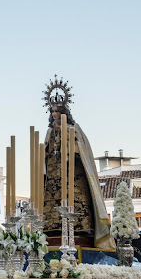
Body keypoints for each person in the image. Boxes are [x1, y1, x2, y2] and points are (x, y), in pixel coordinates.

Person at [42, 96, 114, 250]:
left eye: (57, 111)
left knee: (75, 199)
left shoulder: (73, 128)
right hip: (54, 175)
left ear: (64, 112)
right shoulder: (49, 132)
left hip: (72, 173)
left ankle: (81, 228)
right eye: (52, 111)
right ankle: (53, 228)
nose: (54, 114)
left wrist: (67, 141)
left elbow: (81, 149)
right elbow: (46, 151)